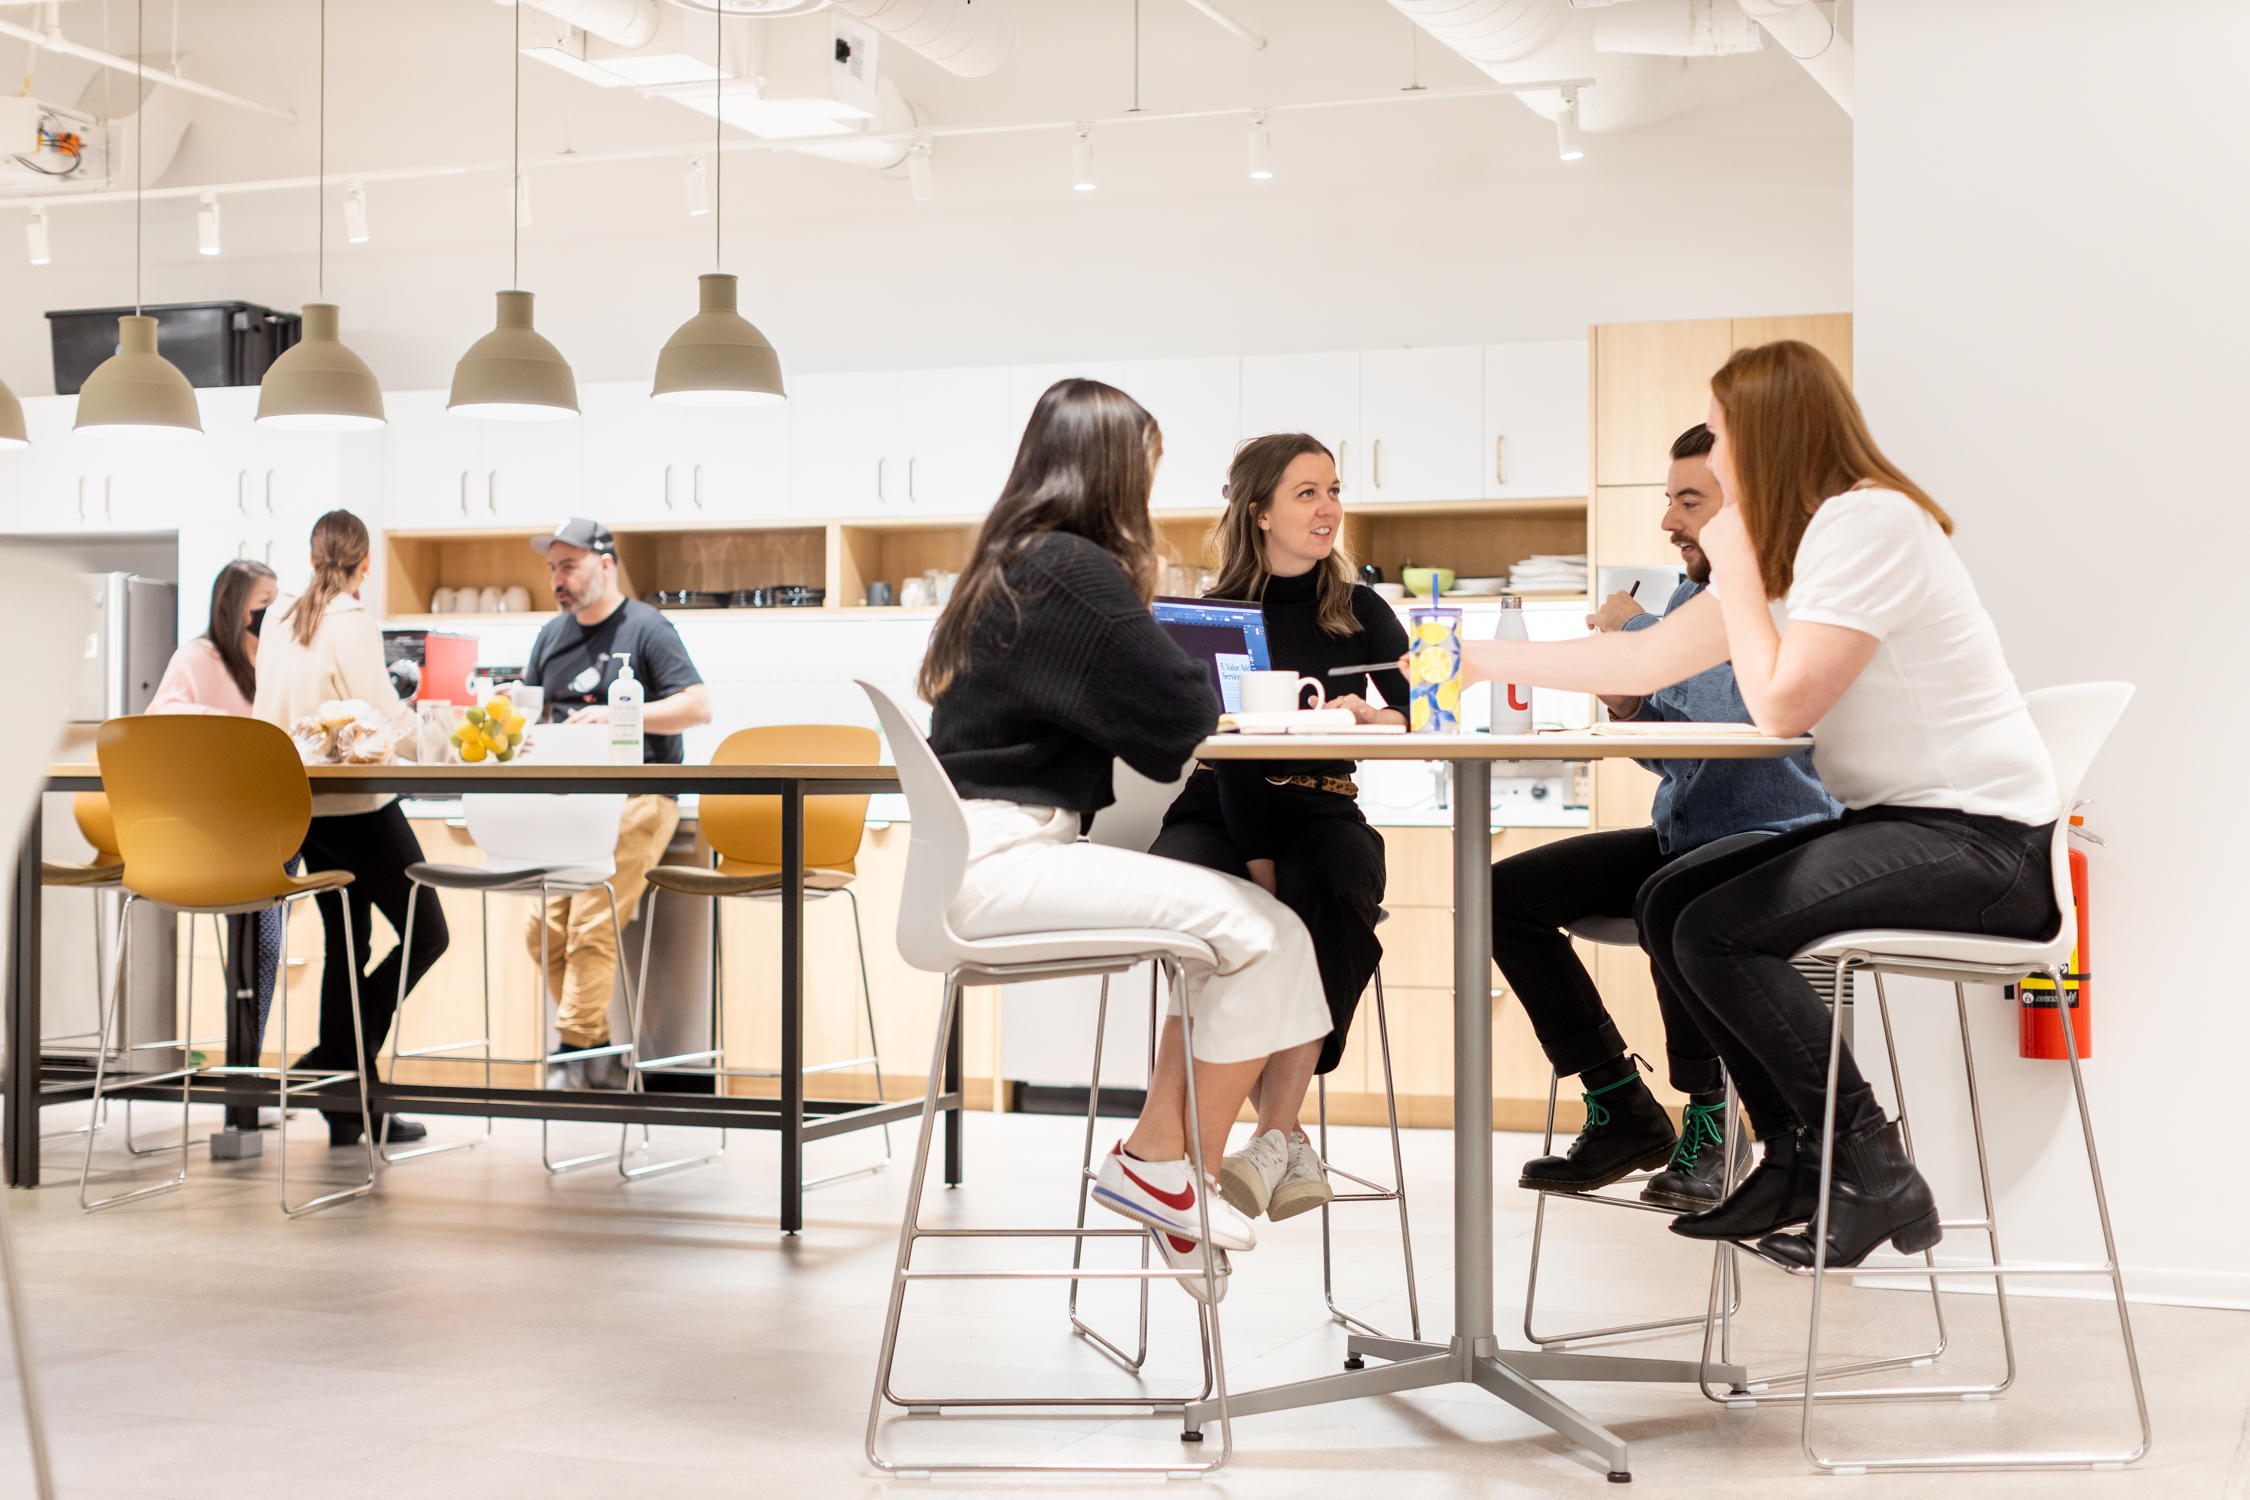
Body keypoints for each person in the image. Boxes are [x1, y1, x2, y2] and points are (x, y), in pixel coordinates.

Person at [1456, 341, 2058, 1270]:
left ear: (1766, 432)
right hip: (1901, 827)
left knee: (1721, 929)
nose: (1718, 453)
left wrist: (1734, 556)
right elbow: (1641, 663)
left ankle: (1872, 1165)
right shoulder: (1810, 544)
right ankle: (1795, 1156)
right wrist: (1470, 659)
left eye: (1725, 430)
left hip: (1984, 847)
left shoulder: (1871, 526)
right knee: (1669, 901)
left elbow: (1781, 706)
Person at [925, 379, 1331, 1300]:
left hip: (989, 849)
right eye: (1144, 467)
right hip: (1003, 859)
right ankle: (1160, 1168)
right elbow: (1183, 713)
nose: (1148, 488)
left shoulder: (1016, 561)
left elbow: (1142, 722)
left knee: (1274, 934)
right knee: (1264, 933)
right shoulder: (1070, 568)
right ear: (1109, 469)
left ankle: (1163, 1164)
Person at [1493, 424, 1837, 1210]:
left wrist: (1633, 639)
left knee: (1671, 895)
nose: (1669, 522)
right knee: (1498, 897)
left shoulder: (1792, 593)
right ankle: (1621, 1104)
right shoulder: (1694, 593)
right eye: (1670, 501)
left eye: (1689, 501)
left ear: (1745, 510)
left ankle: (1712, 1122)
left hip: (1776, 844)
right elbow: (1684, 754)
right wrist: (1633, 701)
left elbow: (1751, 711)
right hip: (1690, 832)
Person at [1148, 433, 1406, 1226]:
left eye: (1333, 491)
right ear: (1258, 512)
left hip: (1322, 805)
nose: (1328, 508)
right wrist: (1258, 860)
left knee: (1328, 883)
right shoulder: (1207, 615)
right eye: (1305, 493)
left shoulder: (1361, 608)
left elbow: (1422, 710)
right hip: (1213, 810)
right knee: (1232, 912)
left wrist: (1374, 713)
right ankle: (1275, 1138)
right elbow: (1216, 753)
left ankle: (1269, 1132)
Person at [253, 511, 447, 1147]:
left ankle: (345, 1101)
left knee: (349, 944)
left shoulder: (280, 620)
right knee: (428, 933)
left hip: (300, 811)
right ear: (365, 566)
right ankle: (338, 1064)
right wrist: (445, 746)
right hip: (359, 806)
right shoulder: (352, 622)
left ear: (314, 558)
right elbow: (384, 718)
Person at [519, 519, 710, 1089]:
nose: (558, 579)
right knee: (542, 931)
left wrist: (621, 713)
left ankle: (573, 1055)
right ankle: (598, 1047)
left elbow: (698, 706)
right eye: (553, 568)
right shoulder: (551, 637)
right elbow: (535, 711)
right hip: (569, 802)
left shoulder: (647, 629)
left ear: (606, 565)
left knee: (591, 924)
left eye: (569, 566)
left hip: (640, 796)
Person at [152, 559, 291, 1133]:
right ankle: (244, 1089)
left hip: (266, 821)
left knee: (272, 936)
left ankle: (250, 1082)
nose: (272, 614)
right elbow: (165, 718)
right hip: (220, 834)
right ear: (233, 606)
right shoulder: (199, 659)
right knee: (261, 938)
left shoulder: (273, 663)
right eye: (263, 603)